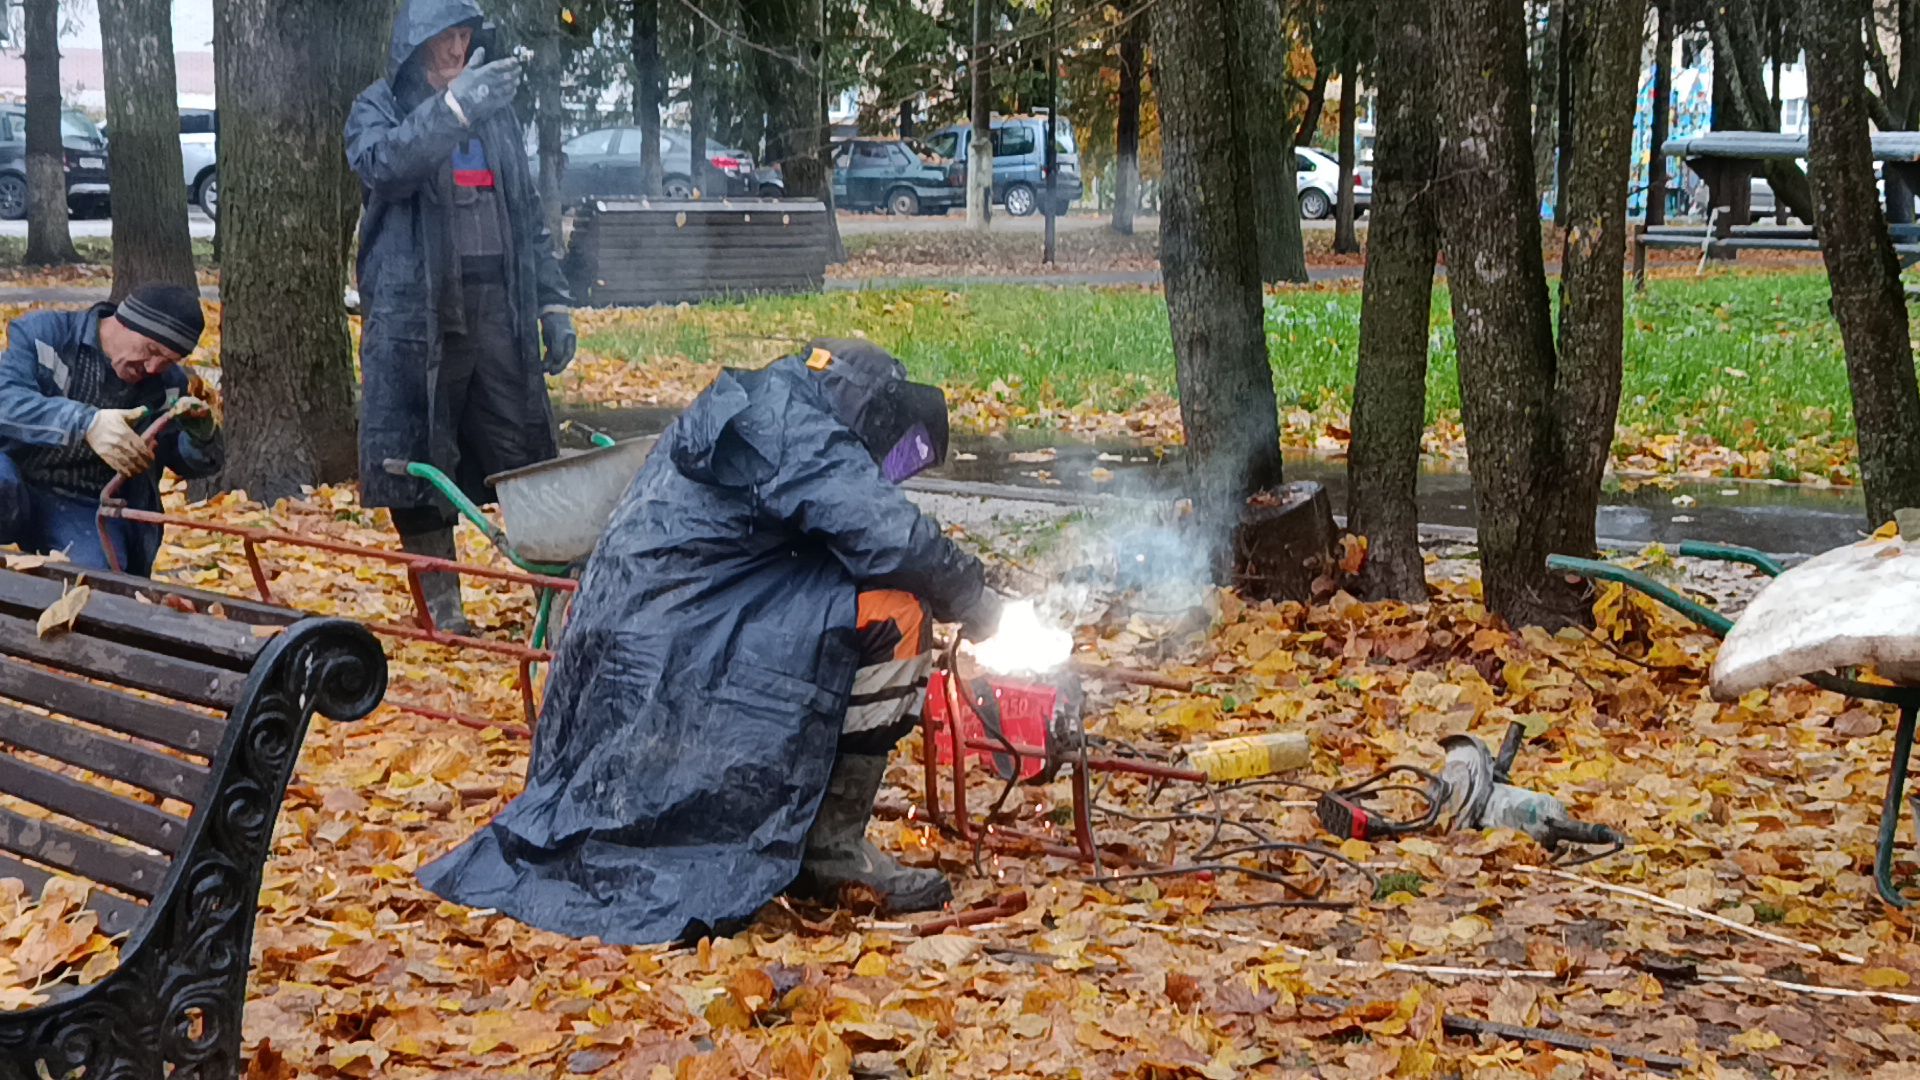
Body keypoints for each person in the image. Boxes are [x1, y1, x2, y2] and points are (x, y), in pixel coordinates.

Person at [420, 340, 1005, 945]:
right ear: (869, 406)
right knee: (898, 614)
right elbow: (892, 537)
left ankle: (812, 830)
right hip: (688, 637)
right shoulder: (796, 429)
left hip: (646, 626)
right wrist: (979, 600)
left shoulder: (762, 400)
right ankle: (831, 850)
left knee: (855, 597)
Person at [346, 0, 577, 635]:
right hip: (415, 314)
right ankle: (442, 615)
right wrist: (452, 110)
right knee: (418, 453)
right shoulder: (378, 106)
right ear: (416, 43)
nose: (456, 49)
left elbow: (526, 210)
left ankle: (558, 605)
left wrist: (553, 303)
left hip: (500, 309)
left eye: (465, 36)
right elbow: (383, 166)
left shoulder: (496, 111)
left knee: (526, 452)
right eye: (444, 37)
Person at [0, 285, 221, 576]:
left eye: (168, 361)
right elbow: (6, 401)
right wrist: (87, 423)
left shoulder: (168, 384)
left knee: (99, 581)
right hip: (12, 472)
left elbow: (179, 457)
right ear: (123, 322)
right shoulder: (44, 335)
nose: (153, 367)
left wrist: (201, 438)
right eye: (151, 350)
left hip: (83, 503)